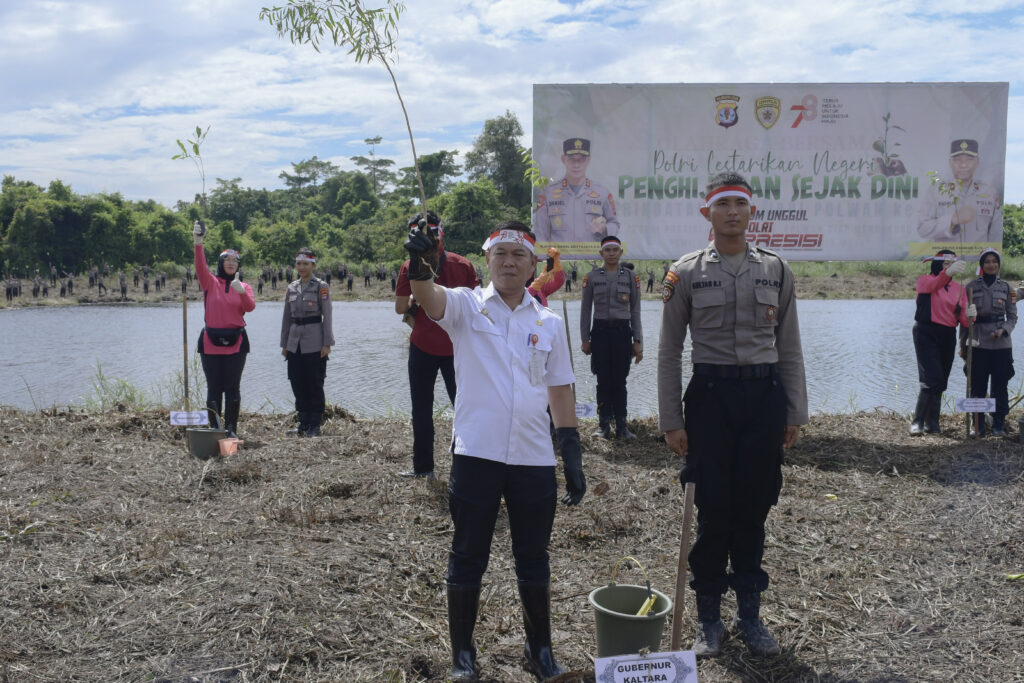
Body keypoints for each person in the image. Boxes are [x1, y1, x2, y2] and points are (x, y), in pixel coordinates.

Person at [403, 219, 585, 682]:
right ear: (487, 259)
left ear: (532, 265)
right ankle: (463, 657)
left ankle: (539, 652)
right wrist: (421, 267)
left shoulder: (547, 320)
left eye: (518, 255)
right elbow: (429, 298)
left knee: (534, 556)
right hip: (477, 454)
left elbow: (560, 387)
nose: (508, 262)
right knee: (467, 554)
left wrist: (570, 448)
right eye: (500, 253)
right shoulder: (465, 306)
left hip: (533, 458)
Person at [657, 172, 808, 658]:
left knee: (755, 505)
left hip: (764, 398)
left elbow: (790, 348)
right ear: (707, 213)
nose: (732, 212)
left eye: (740, 204)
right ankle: (708, 618)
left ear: (751, 212)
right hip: (710, 399)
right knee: (713, 507)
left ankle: (750, 614)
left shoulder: (777, 270)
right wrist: (671, 420)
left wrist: (794, 411)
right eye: (722, 204)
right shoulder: (686, 272)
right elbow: (667, 351)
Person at [394, 211, 478, 478]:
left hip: (423, 347)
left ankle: (424, 469)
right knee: (464, 408)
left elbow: (399, 308)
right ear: (441, 232)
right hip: (457, 348)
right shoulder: (463, 264)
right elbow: (477, 305)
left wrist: (415, 303)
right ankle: (467, 466)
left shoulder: (409, 266)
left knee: (421, 408)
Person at [193, 220, 255, 438]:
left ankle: (231, 430)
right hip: (211, 341)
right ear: (220, 263)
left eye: (234, 260)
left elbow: (249, 307)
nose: (230, 263)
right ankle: (215, 428)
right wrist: (198, 243)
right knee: (214, 387)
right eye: (226, 260)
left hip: (236, 342)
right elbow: (200, 267)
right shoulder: (210, 282)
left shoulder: (244, 286)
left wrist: (241, 292)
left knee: (232, 387)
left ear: (238, 265)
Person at [580, 236, 643, 440]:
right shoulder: (592, 277)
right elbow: (585, 310)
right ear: (601, 254)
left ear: (621, 253)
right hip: (600, 333)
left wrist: (638, 341)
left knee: (620, 380)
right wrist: (585, 338)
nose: (612, 253)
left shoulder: (631, 278)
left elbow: (635, 310)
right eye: (607, 250)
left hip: (622, 333)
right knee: (603, 380)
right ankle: (603, 426)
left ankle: (622, 427)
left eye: (615, 250)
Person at [909, 250, 971, 435]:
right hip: (926, 332)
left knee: (941, 379)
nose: (948, 267)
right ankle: (917, 421)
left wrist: (971, 315)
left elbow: (964, 320)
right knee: (931, 378)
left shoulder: (959, 289)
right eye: (945, 264)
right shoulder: (925, 281)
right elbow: (935, 284)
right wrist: (948, 272)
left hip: (947, 334)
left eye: (951, 264)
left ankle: (932, 423)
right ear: (937, 264)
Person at [959, 248, 1016, 436]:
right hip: (977, 344)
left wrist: (1004, 330)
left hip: (1001, 345)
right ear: (981, 265)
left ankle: (998, 424)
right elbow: (963, 321)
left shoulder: (1007, 288)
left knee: (1000, 385)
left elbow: (1013, 317)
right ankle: (979, 426)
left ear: (998, 264)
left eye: (994, 261)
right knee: (978, 385)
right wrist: (962, 346)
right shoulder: (970, 287)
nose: (991, 264)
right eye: (987, 261)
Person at [281, 247, 334, 437]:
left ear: (313, 265)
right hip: (294, 341)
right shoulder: (291, 287)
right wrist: (285, 344)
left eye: (305, 264)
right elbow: (287, 318)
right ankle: (303, 423)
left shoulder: (321, 286)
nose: (301, 267)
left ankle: (314, 424)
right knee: (297, 381)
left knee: (314, 382)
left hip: (315, 340)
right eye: (298, 264)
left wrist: (327, 343)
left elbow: (327, 316)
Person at [533, 137, 620, 243]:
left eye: (581, 159)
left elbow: (614, 224)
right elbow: (540, 233)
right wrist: (545, 258)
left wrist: (604, 228)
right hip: (558, 258)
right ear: (563, 159)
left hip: (593, 258)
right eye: (571, 159)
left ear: (588, 160)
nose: (576, 165)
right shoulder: (548, 194)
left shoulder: (602, 192)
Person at [917, 139, 1002, 243]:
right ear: (950, 162)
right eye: (957, 159)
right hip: (946, 258)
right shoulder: (936, 191)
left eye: (969, 159)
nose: (963, 165)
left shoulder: (989, 192)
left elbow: (996, 232)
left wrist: (991, 257)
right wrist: (952, 220)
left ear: (977, 161)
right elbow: (922, 229)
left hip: (977, 258)